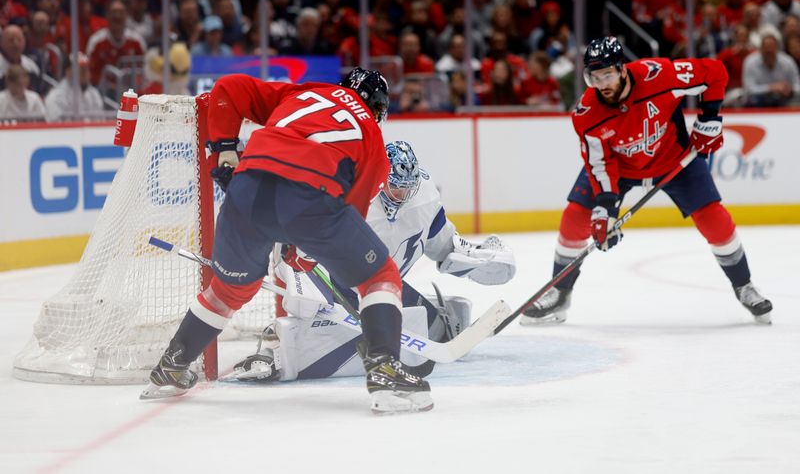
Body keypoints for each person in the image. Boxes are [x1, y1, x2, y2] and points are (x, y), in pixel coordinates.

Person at [141, 68, 435, 414]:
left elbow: (229, 88)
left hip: (246, 189)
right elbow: (351, 210)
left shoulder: (305, 93)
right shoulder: (370, 134)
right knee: (380, 276)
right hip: (311, 197)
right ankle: (385, 369)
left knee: (229, 289)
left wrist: (223, 147)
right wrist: (307, 248)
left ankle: (172, 365)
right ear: (380, 109)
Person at [520, 36, 773, 326]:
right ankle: (560, 292)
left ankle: (744, 285)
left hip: (674, 160)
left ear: (622, 69)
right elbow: (600, 164)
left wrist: (710, 119)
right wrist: (605, 208)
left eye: (608, 75)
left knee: (715, 221)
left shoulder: (659, 75)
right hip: (621, 170)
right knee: (575, 217)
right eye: (594, 77)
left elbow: (714, 72)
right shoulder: (587, 115)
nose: (602, 83)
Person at [229, 141, 516, 383]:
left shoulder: (425, 198)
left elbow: (443, 245)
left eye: (406, 189)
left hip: (380, 285)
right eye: (394, 188)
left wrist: (476, 258)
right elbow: (296, 245)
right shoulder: (353, 190)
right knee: (310, 314)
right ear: (381, 178)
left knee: (435, 330)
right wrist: (303, 284)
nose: (400, 196)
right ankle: (274, 351)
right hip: (334, 277)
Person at [43, 53, 104, 122]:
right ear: (68, 72)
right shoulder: (56, 96)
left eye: (87, 70)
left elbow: (99, 122)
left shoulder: (93, 94)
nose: (87, 74)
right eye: (82, 70)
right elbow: (55, 126)